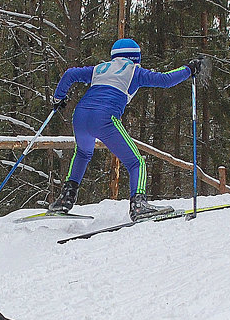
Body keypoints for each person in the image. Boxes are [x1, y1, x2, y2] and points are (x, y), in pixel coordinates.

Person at [47, 38, 207, 221]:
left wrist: (58, 98)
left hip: (80, 117)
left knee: (83, 153)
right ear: (136, 57)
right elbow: (165, 80)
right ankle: (139, 205)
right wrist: (189, 69)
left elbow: (70, 74)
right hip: (105, 118)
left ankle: (65, 199)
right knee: (136, 162)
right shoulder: (134, 71)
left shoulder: (99, 69)